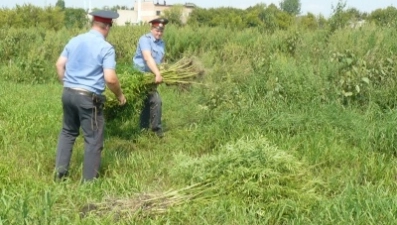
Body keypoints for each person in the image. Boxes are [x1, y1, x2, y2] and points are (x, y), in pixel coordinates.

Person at [54, 10, 126, 182]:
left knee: (68, 132)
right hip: (88, 99)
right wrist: (120, 96)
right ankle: (88, 184)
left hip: (68, 94)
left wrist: (68, 84)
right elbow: (110, 78)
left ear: (93, 24)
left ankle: (60, 175)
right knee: (93, 139)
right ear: (108, 27)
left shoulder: (75, 40)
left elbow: (59, 64)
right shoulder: (105, 48)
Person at [132, 18, 169, 138]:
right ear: (152, 28)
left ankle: (143, 129)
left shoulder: (161, 43)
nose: (159, 33)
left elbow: (161, 60)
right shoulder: (145, 40)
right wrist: (158, 74)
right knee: (156, 100)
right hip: (141, 75)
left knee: (146, 102)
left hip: (152, 76)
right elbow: (147, 58)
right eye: (157, 30)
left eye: (161, 30)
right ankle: (156, 131)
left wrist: (164, 70)